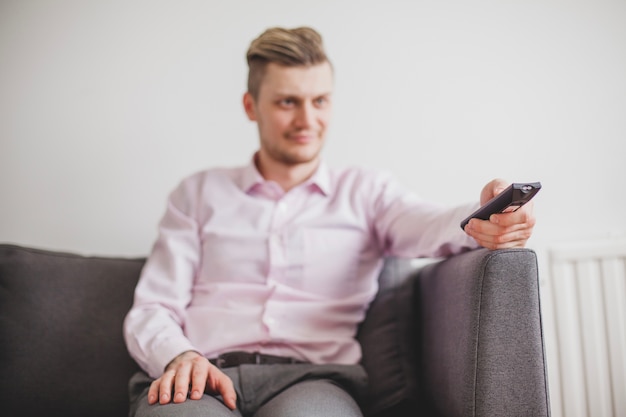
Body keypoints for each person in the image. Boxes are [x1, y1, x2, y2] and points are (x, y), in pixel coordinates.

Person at [123, 26, 536, 417]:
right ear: (251, 107)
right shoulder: (196, 194)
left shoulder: (365, 191)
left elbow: (430, 224)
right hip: (200, 372)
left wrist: (487, 214)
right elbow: (153, 306)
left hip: (312, 380)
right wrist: (180, 355)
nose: (307, 120)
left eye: (319, 100)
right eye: (288, 102)